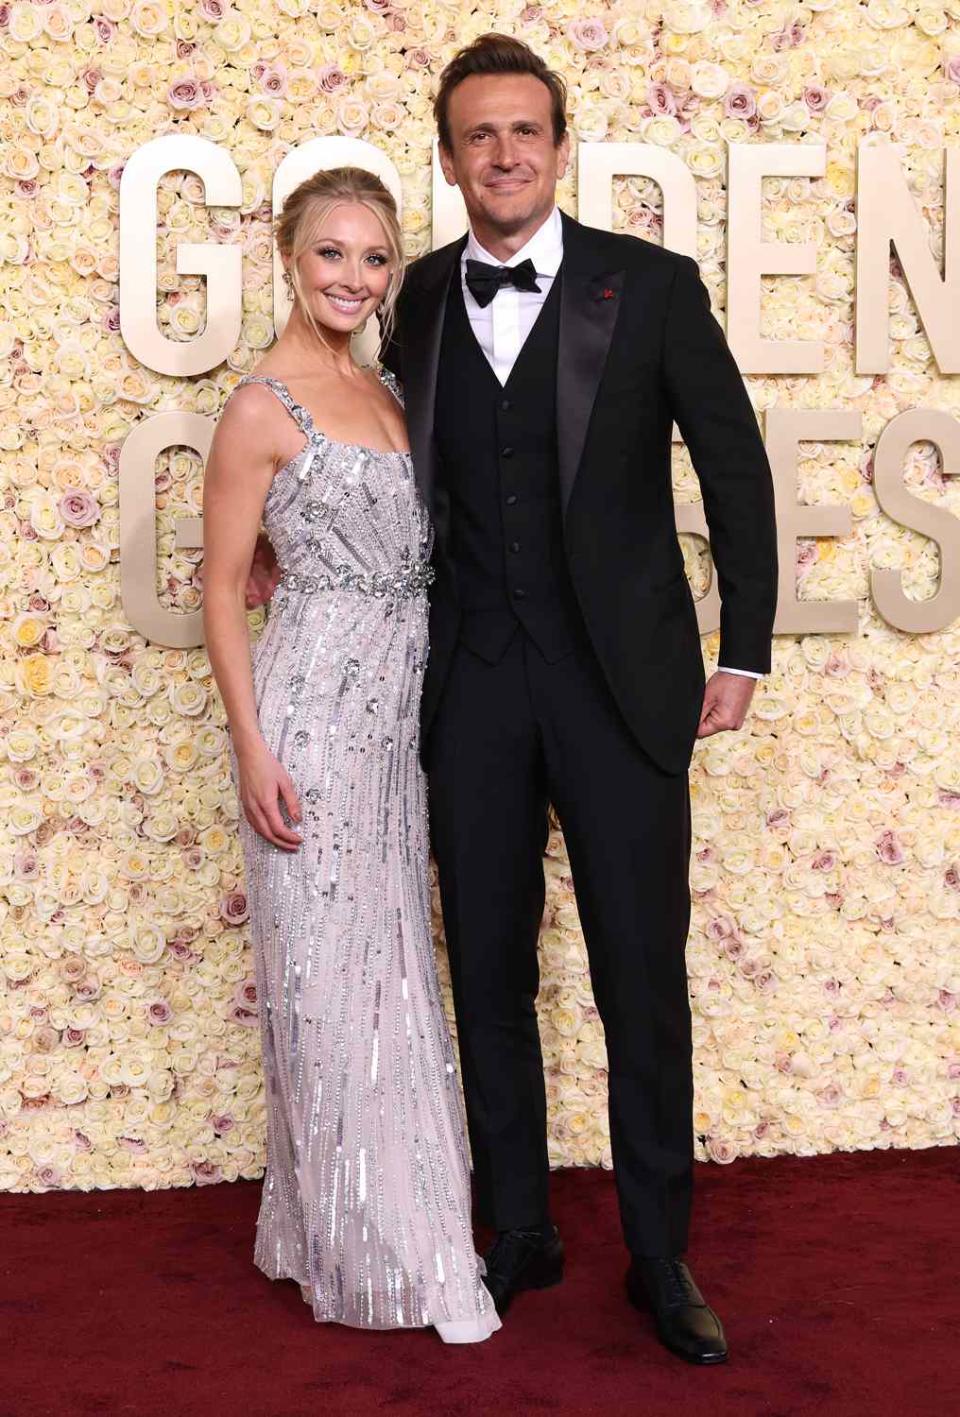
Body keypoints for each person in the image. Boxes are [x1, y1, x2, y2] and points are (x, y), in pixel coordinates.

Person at [250, 35, 778, 1365]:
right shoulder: (413, 298)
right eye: (478, 135)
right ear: (449, 156)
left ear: (558, 145)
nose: (502, 153)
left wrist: (746, 646)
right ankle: (517, 1223)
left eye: (524, 132)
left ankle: (660, 1255)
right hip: (465, 688)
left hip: (623, 693)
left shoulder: (648, 288)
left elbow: (734, 462)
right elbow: (348, 446)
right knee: (484, 968)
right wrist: (272, 534)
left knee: (638, 976)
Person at [201, 166, 500, 1345]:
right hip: (314, 716)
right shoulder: (261, 406)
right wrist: (252, 744)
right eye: (332, 254)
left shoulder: (385, 387)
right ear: (288, 258)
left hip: (405, 717)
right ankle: (369, 1247)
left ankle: (345, 1217)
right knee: (330, 982)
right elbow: (225, 591)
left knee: (388, 968)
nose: (354, 278)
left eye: (374, 259)